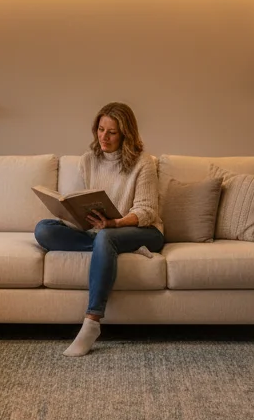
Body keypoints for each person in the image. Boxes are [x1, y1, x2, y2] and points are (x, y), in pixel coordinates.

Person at [34, 102, 163, 356]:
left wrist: (114, 224)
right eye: (100, 129)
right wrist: (72, 215)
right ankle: (109, 247)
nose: (103, 137)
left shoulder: (143, 163)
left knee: (106, 236)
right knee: (44, 230)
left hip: (145, 231)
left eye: (111, 132)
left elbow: (147, 211)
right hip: (101, 232)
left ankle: (92, 322)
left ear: (126, 134)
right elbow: (84, 199)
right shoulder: (88, 160)